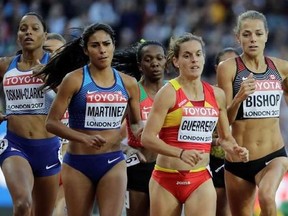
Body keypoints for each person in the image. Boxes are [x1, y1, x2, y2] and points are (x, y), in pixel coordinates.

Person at [38, 23, 142, 216]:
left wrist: (143, 134)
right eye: (95, 45)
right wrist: (83, 138)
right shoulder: (74, 79)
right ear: (86, 50)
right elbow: (51, 123)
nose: (102, 50)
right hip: (78, 163)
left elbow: (135, 123)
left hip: (113, 161)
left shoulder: (129, 83)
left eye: (106, 44)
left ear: (113, 46)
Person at [141, 33, 249, 216]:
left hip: (200, 178)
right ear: (175, 61)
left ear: (204, 58)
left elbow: (225, 138)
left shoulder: (217, 95)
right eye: (187, 55)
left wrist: (236, 149)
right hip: (166, 178)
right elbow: (147, 138)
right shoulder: (168, 93)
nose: (194, 60)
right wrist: (180, 153)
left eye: (198, 54)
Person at [216, 10, 288, 216]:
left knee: (266, 197)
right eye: (246, 34)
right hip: (238, 160)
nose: (253, 39)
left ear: (266, 35)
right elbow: (225, 120)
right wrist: (239, 98)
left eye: (258, 33)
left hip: (274, 155)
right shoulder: (228, 69)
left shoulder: (282, 68)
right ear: (238, 37)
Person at [0, 12, 61, 216]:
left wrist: (51, 77)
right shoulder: (5, 65)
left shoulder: (56, 66)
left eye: (35, 29)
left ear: (44, 36)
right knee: (23, 204)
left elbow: (73, 98)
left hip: (48, 147)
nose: (28, 32)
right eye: (23, 28)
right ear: (17, 35)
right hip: (14, 145)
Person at [112, 40, 167, 216]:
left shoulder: (172, 91)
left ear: (166, 61)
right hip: (137, 168)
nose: (155, 63)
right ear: (140, 65)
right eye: (148, 59)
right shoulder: (132, 92)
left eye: (159, 58)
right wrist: (125, 148)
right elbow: (109, 130)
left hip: (165, 166)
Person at [210, 47, 239, 216]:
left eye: (235, 64)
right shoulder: (207, 94)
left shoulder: (252, 95)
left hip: (242, 161)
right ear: (217, 69)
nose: (231, 69)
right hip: (215, 160)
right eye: (225, 64)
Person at [42, 32, 67, 216]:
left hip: (68, 153)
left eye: (58, 51)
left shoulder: (78, 80)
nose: (53, 55)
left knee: (60, 208)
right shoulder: (28, 78)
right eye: (47, 51)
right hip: (40, 152)